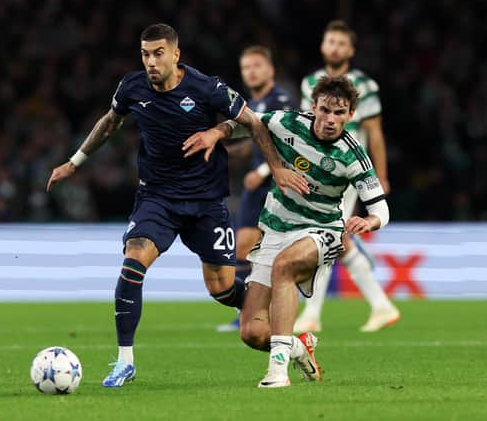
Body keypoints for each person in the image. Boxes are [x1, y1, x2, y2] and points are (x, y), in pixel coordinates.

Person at [46, 23, 309, 388]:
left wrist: (264, 163)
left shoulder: (206, 87)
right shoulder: (132, 87)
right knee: (133, 262)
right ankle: (124, 360)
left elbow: (254, 123)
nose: (150, 62)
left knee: (223, 289)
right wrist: (74, 161)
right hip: (157, 199)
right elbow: (110, 122)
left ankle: (287, 338)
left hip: (205, 202)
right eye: (145, 54)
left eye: (157, 53)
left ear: (175, 54)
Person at [184, 75, 390, 388]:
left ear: (350, 115)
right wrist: (217, 131)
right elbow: (248, 122)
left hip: (322, 232)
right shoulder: (286, 122)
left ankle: (277, 372)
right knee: (252, 333)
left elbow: (381, 210)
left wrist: (369, 222)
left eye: (339, 113)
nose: (330, 119)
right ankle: (296, 346)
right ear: (314, 107)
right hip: (276, 229)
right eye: (325, 110)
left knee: (285, 267)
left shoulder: (354, 155)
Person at [295, 20, 399, 333]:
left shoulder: (364, 85)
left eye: (342, 43)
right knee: (336, 238)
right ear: (323, 45)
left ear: (350, 50)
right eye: (331, 41)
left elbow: (374, 133)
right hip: (317, 170)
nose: (335, 47)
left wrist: (380, 175)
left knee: (325, 232)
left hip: (349, 168)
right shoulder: (310, 82)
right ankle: (381, 305)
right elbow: (305, 128)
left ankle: (311, 314)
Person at [216, 45, 296, 333]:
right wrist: (230, 150)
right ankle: (247, 313)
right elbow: (257, 139)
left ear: (270, 70)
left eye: (257, 66)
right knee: (244, 247)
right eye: (246, 67)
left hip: (279, 183)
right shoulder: (251, 104)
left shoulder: (282, 99)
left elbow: (288, 140)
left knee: (277, 252)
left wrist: (262, 170)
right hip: (257, 185)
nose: (251, 72)